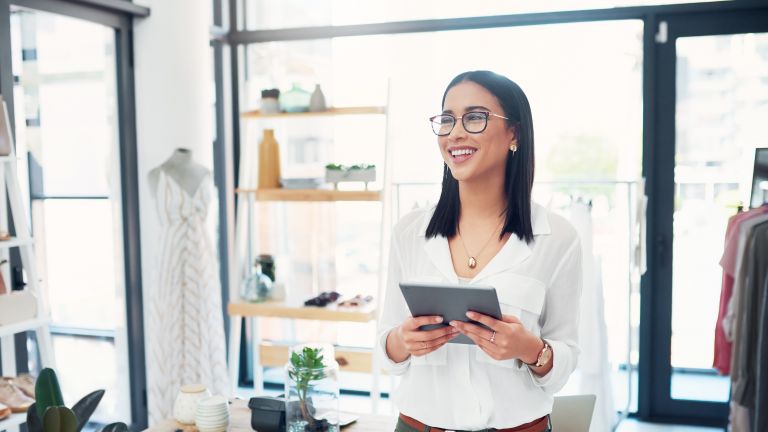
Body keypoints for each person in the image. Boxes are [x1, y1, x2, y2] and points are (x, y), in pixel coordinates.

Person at [377, 71, 582, 432]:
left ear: (514, 133)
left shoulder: (558, 238)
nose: (455, 132)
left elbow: (564, 361)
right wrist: (402, 340)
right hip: (419, 425)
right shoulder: (409, 232)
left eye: (474, 117)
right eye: (447, 119)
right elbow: (388, 354)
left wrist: (530, 349)